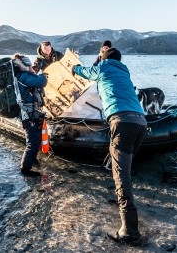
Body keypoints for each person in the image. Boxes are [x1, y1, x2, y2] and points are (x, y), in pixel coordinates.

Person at [72, 48, 147, 243]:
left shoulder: (104, 67)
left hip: (122, 122)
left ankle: (130, 231)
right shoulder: (124, 71)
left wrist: (75, 68)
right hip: (140, 122)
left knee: (121, 175)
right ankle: (123, 200)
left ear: (103, 59)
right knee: (124, 170)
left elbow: (86, 72)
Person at [12, 53, 47, 176]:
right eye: (28, 63)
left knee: (35, 138)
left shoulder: (19, 75)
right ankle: (25, 169)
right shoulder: (24, 76)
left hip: (30, 112)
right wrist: (43, 74)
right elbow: (41, 82)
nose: (30, 65)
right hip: (27, 114)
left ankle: (32, 160)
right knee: (33, 141)